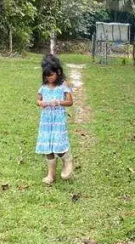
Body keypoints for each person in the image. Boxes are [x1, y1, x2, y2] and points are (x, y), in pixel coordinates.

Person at [36, 55, 74, 184]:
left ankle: (67, 160)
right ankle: (51, 175)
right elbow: (38, 99)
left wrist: (58, 102)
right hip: (46, 120)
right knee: (47, 146)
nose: (49, 78)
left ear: (58, 72)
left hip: (58, 119)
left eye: (51, 75)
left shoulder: (63, 85)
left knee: (58, 144)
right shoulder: (43, 86)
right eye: (46, 76)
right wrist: (41, 103)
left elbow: (70, 102)